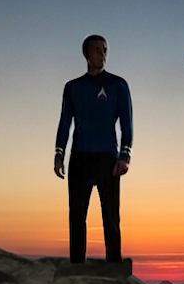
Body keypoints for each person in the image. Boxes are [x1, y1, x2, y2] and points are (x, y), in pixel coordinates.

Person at [54, 34, 133, 263]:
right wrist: (59, 153)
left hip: (108, 160)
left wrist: (125, 155)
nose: (102, 54)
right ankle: (77, 266)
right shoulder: (72, 87)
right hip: (79, 159)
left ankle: (114, 268)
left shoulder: (118, 85)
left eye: (105, 49)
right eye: (97, 49)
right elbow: (65, 121)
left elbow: (127, 122)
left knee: (111, 217)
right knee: (77, 216)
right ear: (86, 54)